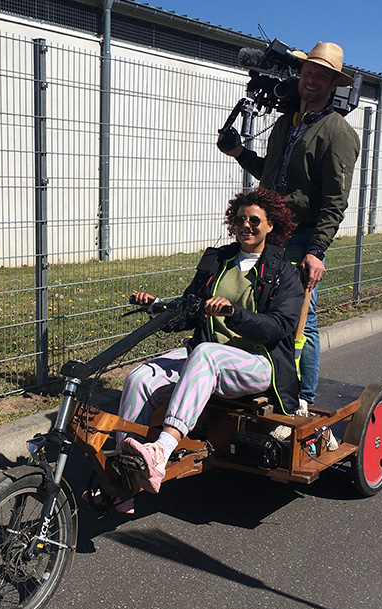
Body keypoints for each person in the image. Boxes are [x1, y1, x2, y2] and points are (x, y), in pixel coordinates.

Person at [118, 187, 304, 496]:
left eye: (255, 220)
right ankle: (124, 471)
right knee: (140, 378)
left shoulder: (284, 273)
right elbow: (191, 308)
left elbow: (278, 328)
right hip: (206, 356)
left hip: (258, 362)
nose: (246, 226)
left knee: (206, 354)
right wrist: (157, 306)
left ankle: (161, 451)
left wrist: (234, 313)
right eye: (240, 219)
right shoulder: (218, 261)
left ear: (271, 225)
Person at [219, 41, 360, 417]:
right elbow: (270, 175)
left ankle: (304, 399)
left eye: (322, 76)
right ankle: (267, 378)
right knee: (263, 307)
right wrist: (238, 153)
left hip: (303, 238)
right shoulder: (288, 123)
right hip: (273, 233)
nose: (311, 79)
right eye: (308, 72)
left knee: (302, 318)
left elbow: (335, 199)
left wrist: (317, 251)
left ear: (333, 85)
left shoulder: (338, 133)